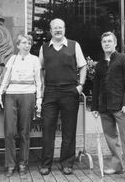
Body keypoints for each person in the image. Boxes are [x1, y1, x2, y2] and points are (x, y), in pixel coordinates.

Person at [39, 18, 87, 175]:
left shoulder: (74, 45)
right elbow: (40, 69)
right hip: (50, 92)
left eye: (60, 27)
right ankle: (46, 164)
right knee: (47, 129)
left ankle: (67, 163)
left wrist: (80, 86)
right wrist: (41, 89)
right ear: (50, 30)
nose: (58, 30)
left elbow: (83, 66)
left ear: (64, 29)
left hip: (69, 91)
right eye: (55, 28)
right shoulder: (44, 48)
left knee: (69, 130)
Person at [91, 31, 125, 182]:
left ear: (115, 43)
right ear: (101, 44)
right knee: (111, 139)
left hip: (121, 107)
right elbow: (96, 87)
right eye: (104, 41)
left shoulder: (123, 59)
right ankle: (118, 165)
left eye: (109, 41)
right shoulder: (99, 65)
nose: (106, 43)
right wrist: (94, 107)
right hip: (104, 108)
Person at [0, 34, 42, 177]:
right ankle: (10, 164)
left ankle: (23, 163)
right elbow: (5, 77)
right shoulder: (12, 59)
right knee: (10, 132)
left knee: (24, 132)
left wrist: (39, 99)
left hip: (28, 95)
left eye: (29, 42)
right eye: (24, 42)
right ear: (18, 45)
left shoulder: (35, 60)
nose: (27, 45)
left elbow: (39, 81)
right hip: (11, 95)